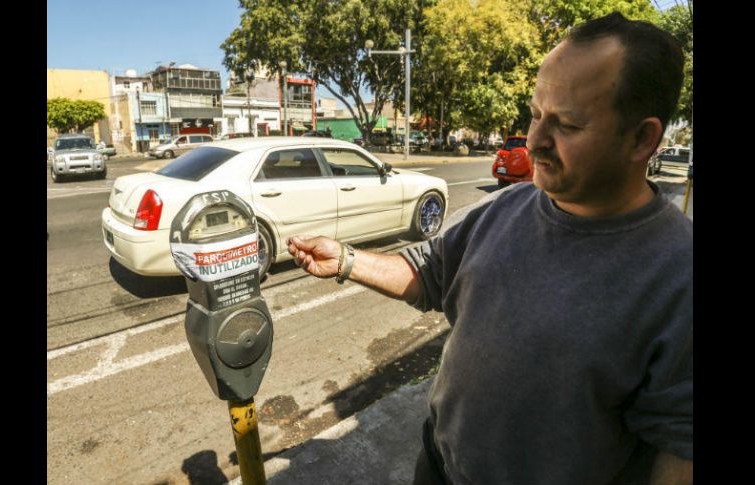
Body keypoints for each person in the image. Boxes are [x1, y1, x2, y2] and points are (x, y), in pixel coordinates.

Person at [286, 12, 691, 485]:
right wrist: (348, 260)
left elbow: (679, 448)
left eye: (568, 124)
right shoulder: (506, 206)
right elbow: (428, 274)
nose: (535, 140)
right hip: (438, 465)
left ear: (643, 139)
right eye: (537, 113)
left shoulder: (678, 274)